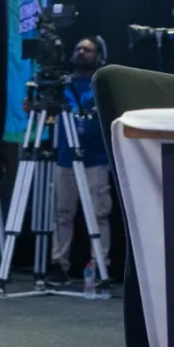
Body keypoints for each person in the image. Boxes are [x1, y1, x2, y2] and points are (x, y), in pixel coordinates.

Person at [51, 37, 111, 278]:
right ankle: (58, 263)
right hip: (65, 158)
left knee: (99, 214)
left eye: (88, 49)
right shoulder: (61, 85)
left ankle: (99, 265)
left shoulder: (103, 85)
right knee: (62, 214)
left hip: (96, 158)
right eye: (78, 48)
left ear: (98, 55)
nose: (82, 52)